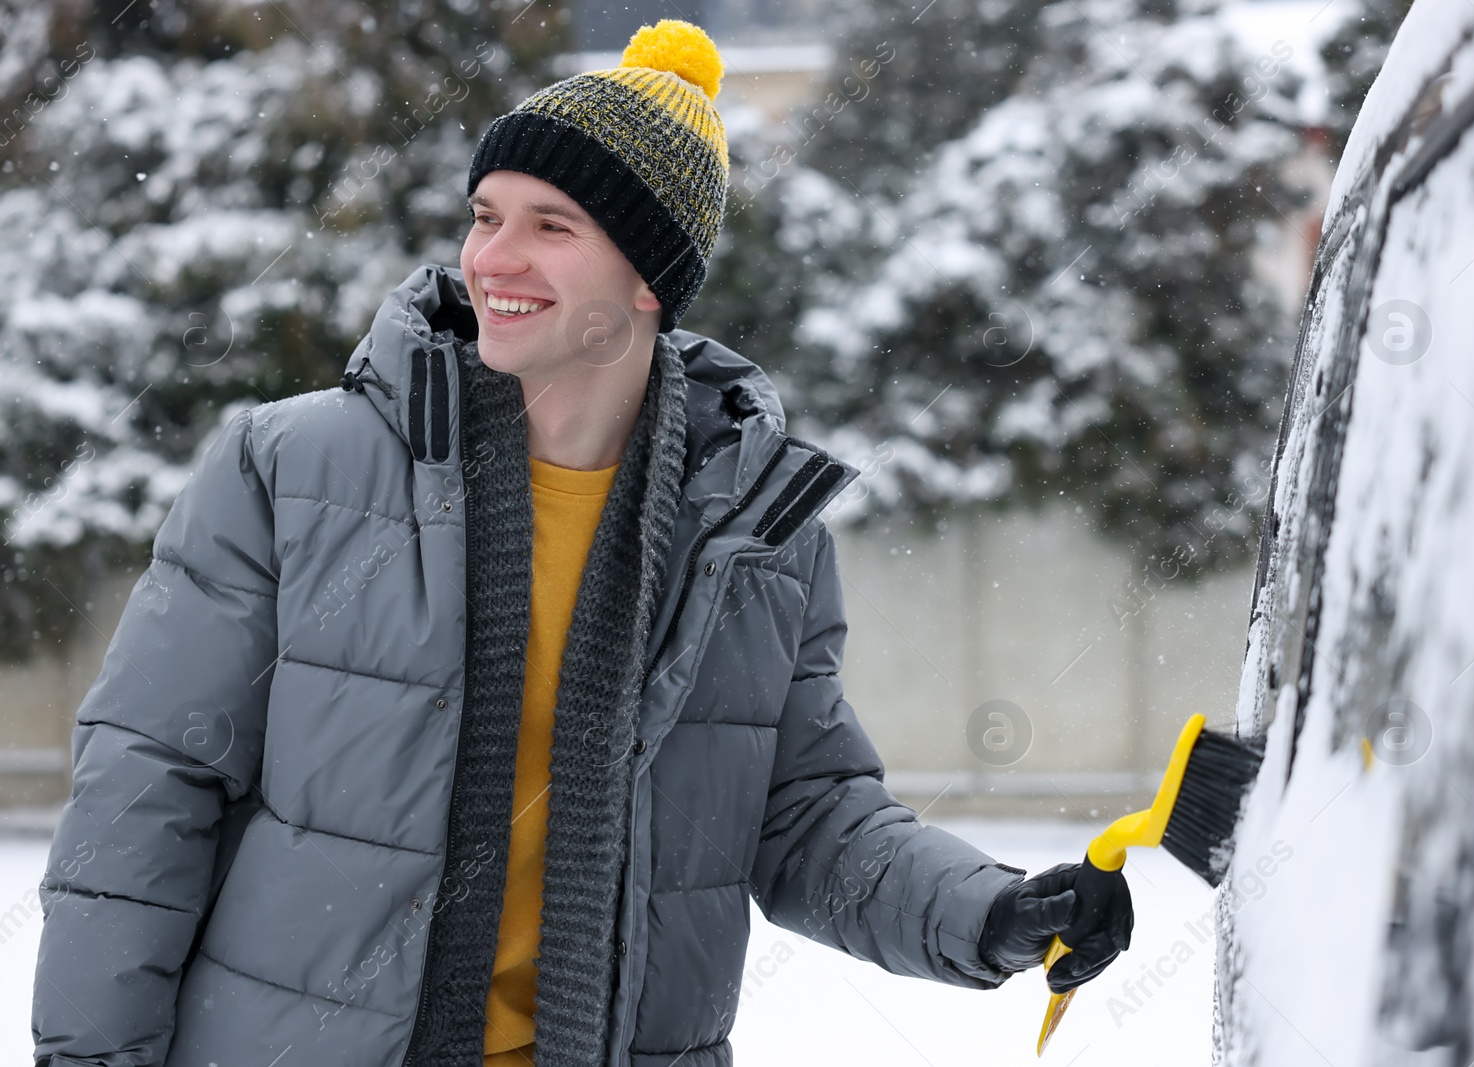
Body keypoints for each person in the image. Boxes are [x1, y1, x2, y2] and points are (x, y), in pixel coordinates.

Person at [30, 19, 1132, 1067]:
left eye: (550, 225)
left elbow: (803, 813)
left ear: (647, 278)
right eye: (484, 213)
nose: (490, 257)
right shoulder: (294, 469)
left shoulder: (750, 529)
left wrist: (990, 909)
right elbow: (150, 783)